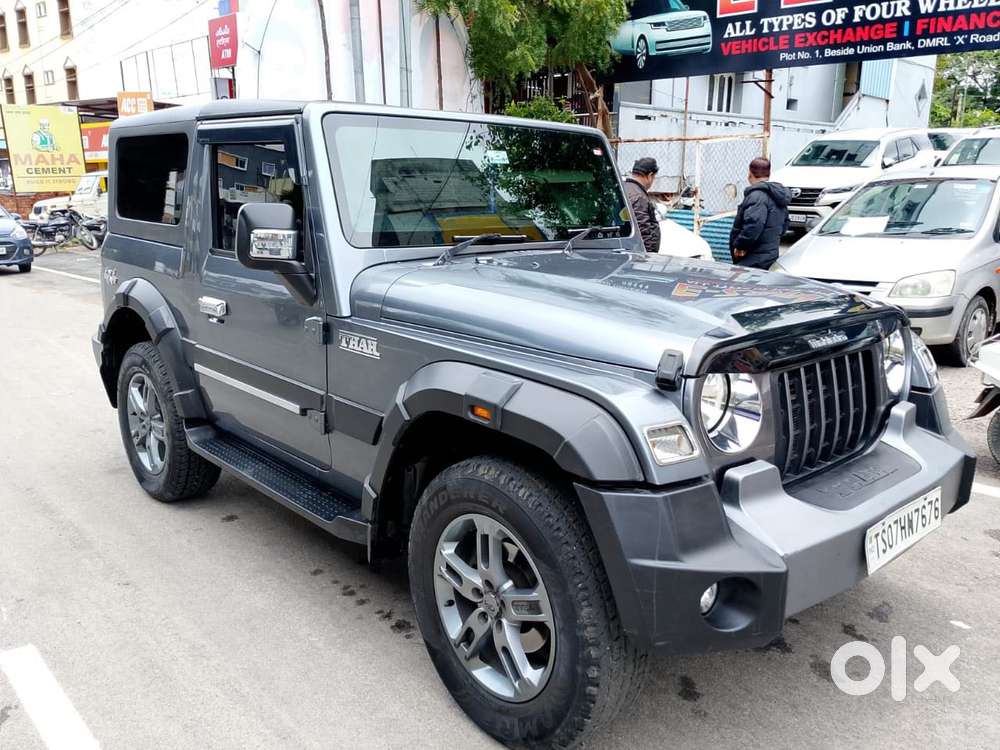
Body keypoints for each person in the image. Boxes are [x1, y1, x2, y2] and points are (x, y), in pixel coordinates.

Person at [729, 157, 790, 270]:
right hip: (769, 253)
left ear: (750, 174)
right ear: (769, 173)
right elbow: (785, 223)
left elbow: (753, 224)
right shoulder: (777, 194)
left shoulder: (757, 196)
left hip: (753, 256)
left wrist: (741, 246)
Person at [624, 157, 661, 253]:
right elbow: (643, 231)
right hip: (638, 254)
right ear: (650, 176)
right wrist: (647, 257)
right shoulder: (639, 196)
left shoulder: (624, 188)